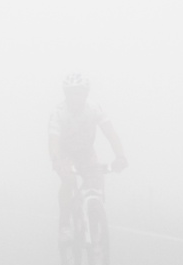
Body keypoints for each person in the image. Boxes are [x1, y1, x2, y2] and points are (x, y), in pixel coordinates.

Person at [48, 74, 127, 237]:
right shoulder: (58, 113)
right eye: (70, 93)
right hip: (65, 153)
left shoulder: (94, 108)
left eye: (79, 92)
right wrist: (56, 160)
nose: (74, 97)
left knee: (97, 179)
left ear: (86, 94)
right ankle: (64, 223)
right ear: (65, 94)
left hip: (86, 152)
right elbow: (53, 141)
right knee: (69, 181)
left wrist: (120, 156)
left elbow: (110, 133)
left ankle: (95, 213)